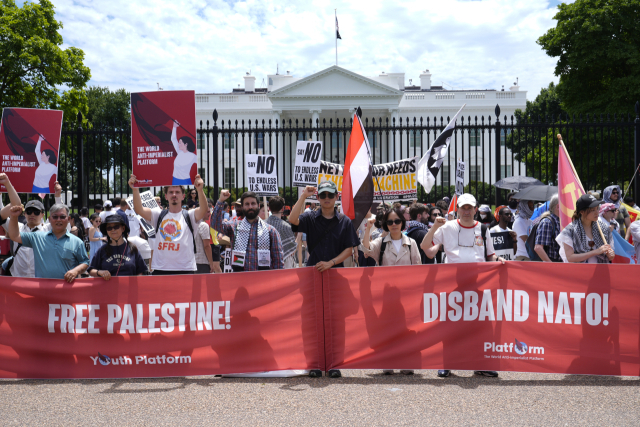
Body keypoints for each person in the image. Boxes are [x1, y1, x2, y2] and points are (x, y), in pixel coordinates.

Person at [421, 193, 503, 378]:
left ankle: (480, 364)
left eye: (470, 208)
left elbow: (489, 255)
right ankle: (447, 363)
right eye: (463, 207)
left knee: (480, 326)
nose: (466, 211)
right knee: (450, 325)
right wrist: (435, 226)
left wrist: (499, 260)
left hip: (477, 284)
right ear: (457, 209)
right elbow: (426, 248)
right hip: (452, 284)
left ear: (475, 210)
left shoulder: (483, 229)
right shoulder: (447, 227)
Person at [289, 181, 360, 379]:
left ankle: (335, 364)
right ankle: (314, 363)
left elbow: (350, 248)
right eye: (323, 195)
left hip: (336, 275)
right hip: (313, 273)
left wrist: (332, 262)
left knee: (337, 322)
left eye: (330, 195)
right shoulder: (310, 217)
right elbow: (292, 219)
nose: (327, 199)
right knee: (312, 321)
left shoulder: (344, 221)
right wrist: (304, 196)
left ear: (336, 196)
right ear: (318, 197)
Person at [362, 206, 420, 375]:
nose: (394, 224)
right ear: (385, 224)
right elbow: (365, 249)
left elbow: (418, 268)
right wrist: (368, 229)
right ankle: (387, 360)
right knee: (386, 327)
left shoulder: (411, 243)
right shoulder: (380, 242)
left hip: (406, 293)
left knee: (405, 327)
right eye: (390, 222)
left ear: (402, 222)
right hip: (385, 294)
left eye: (397, 221)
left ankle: (406, 361)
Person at [128, 173, 208, 275]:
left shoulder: (190, 215)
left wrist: (200, 190)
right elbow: (139, 210)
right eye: (171, 192)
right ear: (166, 196)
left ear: (183, 196)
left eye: (177, 192)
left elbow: (204, 209)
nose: (174, 195)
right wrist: (135, 189)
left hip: (185, 268)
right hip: (161, 268)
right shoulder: (158, 214)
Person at [7, 203, 88, 282]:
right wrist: (14, 216)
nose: (59, 220)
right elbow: (14, 236)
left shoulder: (77, 242)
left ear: (69, 219)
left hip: (67, 291)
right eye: (55, 217)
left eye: (62, 217)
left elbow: (85, 262)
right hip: (43, 291)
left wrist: (76, 271)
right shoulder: (37, 237)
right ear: (49, 219)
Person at [212, 190, 284, 271]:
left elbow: (278, 263)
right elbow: (215, 224)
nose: (250, 207)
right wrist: (220, 201)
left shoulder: (270, 231)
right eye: (247, 204)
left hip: (262, 280)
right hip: (240, 279)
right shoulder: (234, 226)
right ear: (242, 207)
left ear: (258, 206)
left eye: (253, 203)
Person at [556, 194, 614, 263]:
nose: (597, 212)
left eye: (597, 208)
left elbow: (610, 255)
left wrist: (611, 255)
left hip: (600, 271)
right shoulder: (570, 230)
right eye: (592, 210)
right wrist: (595, 252)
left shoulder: (604, 228)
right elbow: (570, 257)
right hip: (580, 272)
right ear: (582, 212)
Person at [0, 196, 48, 278]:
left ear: (42, 215)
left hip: (40, 280)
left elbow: (62, 220)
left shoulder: (48, 230)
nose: (32, 214)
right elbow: (2, 216)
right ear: (25, 214)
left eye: (36, 212)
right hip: (18, 278)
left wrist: (57, 197)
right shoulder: (17, 227)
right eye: (29, 211)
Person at [88, 215, 147, 279]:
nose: (113, 230)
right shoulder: (102, 250)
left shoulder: (133, 249)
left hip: (129, 288)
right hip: (108, 288)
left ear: (123, 228)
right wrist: (99, 272)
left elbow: (141, 271)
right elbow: (91, 270)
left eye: (116, 226)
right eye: (109, 228)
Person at [267, 196, 297, 269]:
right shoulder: (286, 226)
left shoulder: (263, 224)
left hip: (267, 261)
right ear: (283, 208)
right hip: (285, 263)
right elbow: (292, 249)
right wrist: (299, 235)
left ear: (269, 208)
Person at [533, 195, 562, 263]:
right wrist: (551, 265)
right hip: (554, 265)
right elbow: (538, 248)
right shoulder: (547, 222)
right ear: (558, 207)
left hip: (560, 264)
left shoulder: (560, 222)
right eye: (565, 204)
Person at [171, 120, 197, 185]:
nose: (178, 144)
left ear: (186, 144)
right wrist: (174, 127)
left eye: (180, 143)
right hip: (175, 180)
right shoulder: (179, 152)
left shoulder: (193, 156)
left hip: (186, 181)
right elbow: (173, 139)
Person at [194, 208, 215, 274]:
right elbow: (207, 246)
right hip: (202, 262)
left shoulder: (191, 224)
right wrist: (211, 263)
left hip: (191, 262)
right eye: (208, 212)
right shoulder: (204, 225)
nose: (210, 214)